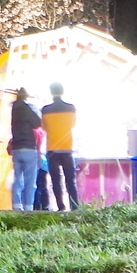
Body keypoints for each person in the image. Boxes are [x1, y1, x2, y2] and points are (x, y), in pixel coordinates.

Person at [40, 82, 80, 211]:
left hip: (52, 149)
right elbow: (73, 125)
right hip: (67, 148)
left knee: (55, 180)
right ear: (62, 91)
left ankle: (61, 207)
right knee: (70, 180)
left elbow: (44, 128)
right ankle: (74, 206)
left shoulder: (45, 110)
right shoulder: (71, 108)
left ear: (51, 92)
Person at [8, 87, 42, 211]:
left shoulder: (14, 109)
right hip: (29, 147)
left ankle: (16, 206)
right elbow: (38, 123)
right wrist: (35, 108)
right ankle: (28, 207)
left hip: (16, 148)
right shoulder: (28, 107)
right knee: (30, 180)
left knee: (17, 178)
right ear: (27, 96)